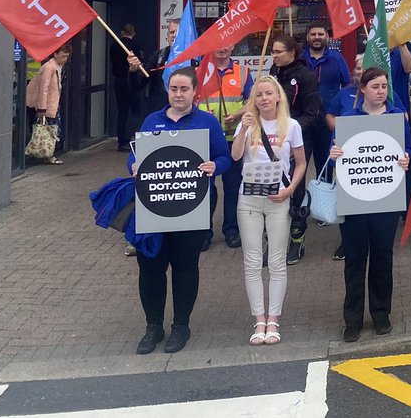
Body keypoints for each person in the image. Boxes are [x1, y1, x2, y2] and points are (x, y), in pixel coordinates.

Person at [129, 67, 232, 354]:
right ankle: (153, 327)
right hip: (154, 207)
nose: (178, 94)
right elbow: (135, 155)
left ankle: (181, 325)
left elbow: (224, 157)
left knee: (185, 267)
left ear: (194, 92)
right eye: (174, 89)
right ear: (167, 90)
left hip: (192, 206)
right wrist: (133, 166)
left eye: (184, 89)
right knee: (150, 267)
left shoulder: (207, 122)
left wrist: (216, 167)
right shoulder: (152, 120)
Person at [330, 67, 411, 341]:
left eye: (384, 86)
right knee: (354, 261)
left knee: (382, 259)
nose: (381, 91)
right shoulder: (349, 119)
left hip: (385, 199)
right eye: (375, 86)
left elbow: (408, 149)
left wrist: (406, 159)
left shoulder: (396, 117)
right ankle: (352, 319)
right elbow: (337, 153)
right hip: (354, 200)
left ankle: (381, 314)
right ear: (362, 88)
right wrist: (335, 153)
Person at [230, 75, 306, 346]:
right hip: (248, 199)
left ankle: (273, 319)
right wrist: (243, 129)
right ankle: (258, 319)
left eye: (268, 93)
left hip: (278, 198)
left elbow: (300, 163)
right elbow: (236, 157)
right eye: (258, 95)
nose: (263, 98)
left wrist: (289, 191)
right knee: (252, 261)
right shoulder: (247, 123)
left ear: (277, 97)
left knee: (276, 261)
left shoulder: (292, 125)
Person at [269, 34, 323, 265]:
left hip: (297, 140)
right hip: (271, 140)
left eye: (278, 51)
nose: (274, 55)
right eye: (272, 51)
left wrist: (290, 136)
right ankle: (273, 243)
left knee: (294, 187)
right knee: (271, 186)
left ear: (292, 53)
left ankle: (296, 241)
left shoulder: (306, 76)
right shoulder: (273, 72)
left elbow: (312, 113)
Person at [198, 45, 253, 250]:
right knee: (205, 189)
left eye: (226, 45)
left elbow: (251, 101)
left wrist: (237, 115)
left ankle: (231, 230)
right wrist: (202, 115)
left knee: (233, 187)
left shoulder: (242, 72)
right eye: (218, 44)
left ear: (232, 47)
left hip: (233, 139)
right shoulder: (200, 72)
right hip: (206, 138)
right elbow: (190, 101)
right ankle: (204, 232)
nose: (222, 48)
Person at [303, 22, 352, 174]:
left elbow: (346, 86)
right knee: (299, 165)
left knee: (325, 166)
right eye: (313, 34)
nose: (317, 37)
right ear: (307, 37)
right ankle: (298, 198)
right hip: (303, 120)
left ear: (327, 37)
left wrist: (343, 112)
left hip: (327, 119)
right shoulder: (299, 60)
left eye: (320, 34)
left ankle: (323, 197)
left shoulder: (337, 59)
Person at [25, 44, 71, 165]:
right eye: (63, 56)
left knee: (52, 129)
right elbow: (43, 89)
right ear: (55, 54)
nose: (65, 59)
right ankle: (48, 154)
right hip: (48, 104)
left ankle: (48, 153)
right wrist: (42, 108)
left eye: (67, 57)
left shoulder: (59, 66)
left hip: (53, 102)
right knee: (49, 129)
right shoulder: (49, 68)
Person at [109, 24, 145, 151]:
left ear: (121, 32)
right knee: (135, 111)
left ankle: (121, 141)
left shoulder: (114, 46)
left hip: (118, 80)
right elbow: (140, 62)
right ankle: (131, 138)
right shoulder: (135, 46)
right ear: (133, 33)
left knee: (122, 111)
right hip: (131, 80)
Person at [144, 19, 180, 113]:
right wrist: (133, 69)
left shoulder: (194, 58)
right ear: (167, 36)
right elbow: (140, 82)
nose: (174, 35)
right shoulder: (158, 56)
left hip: (185, 113)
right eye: (172, 32)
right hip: (159, 111)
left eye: (178, 32)